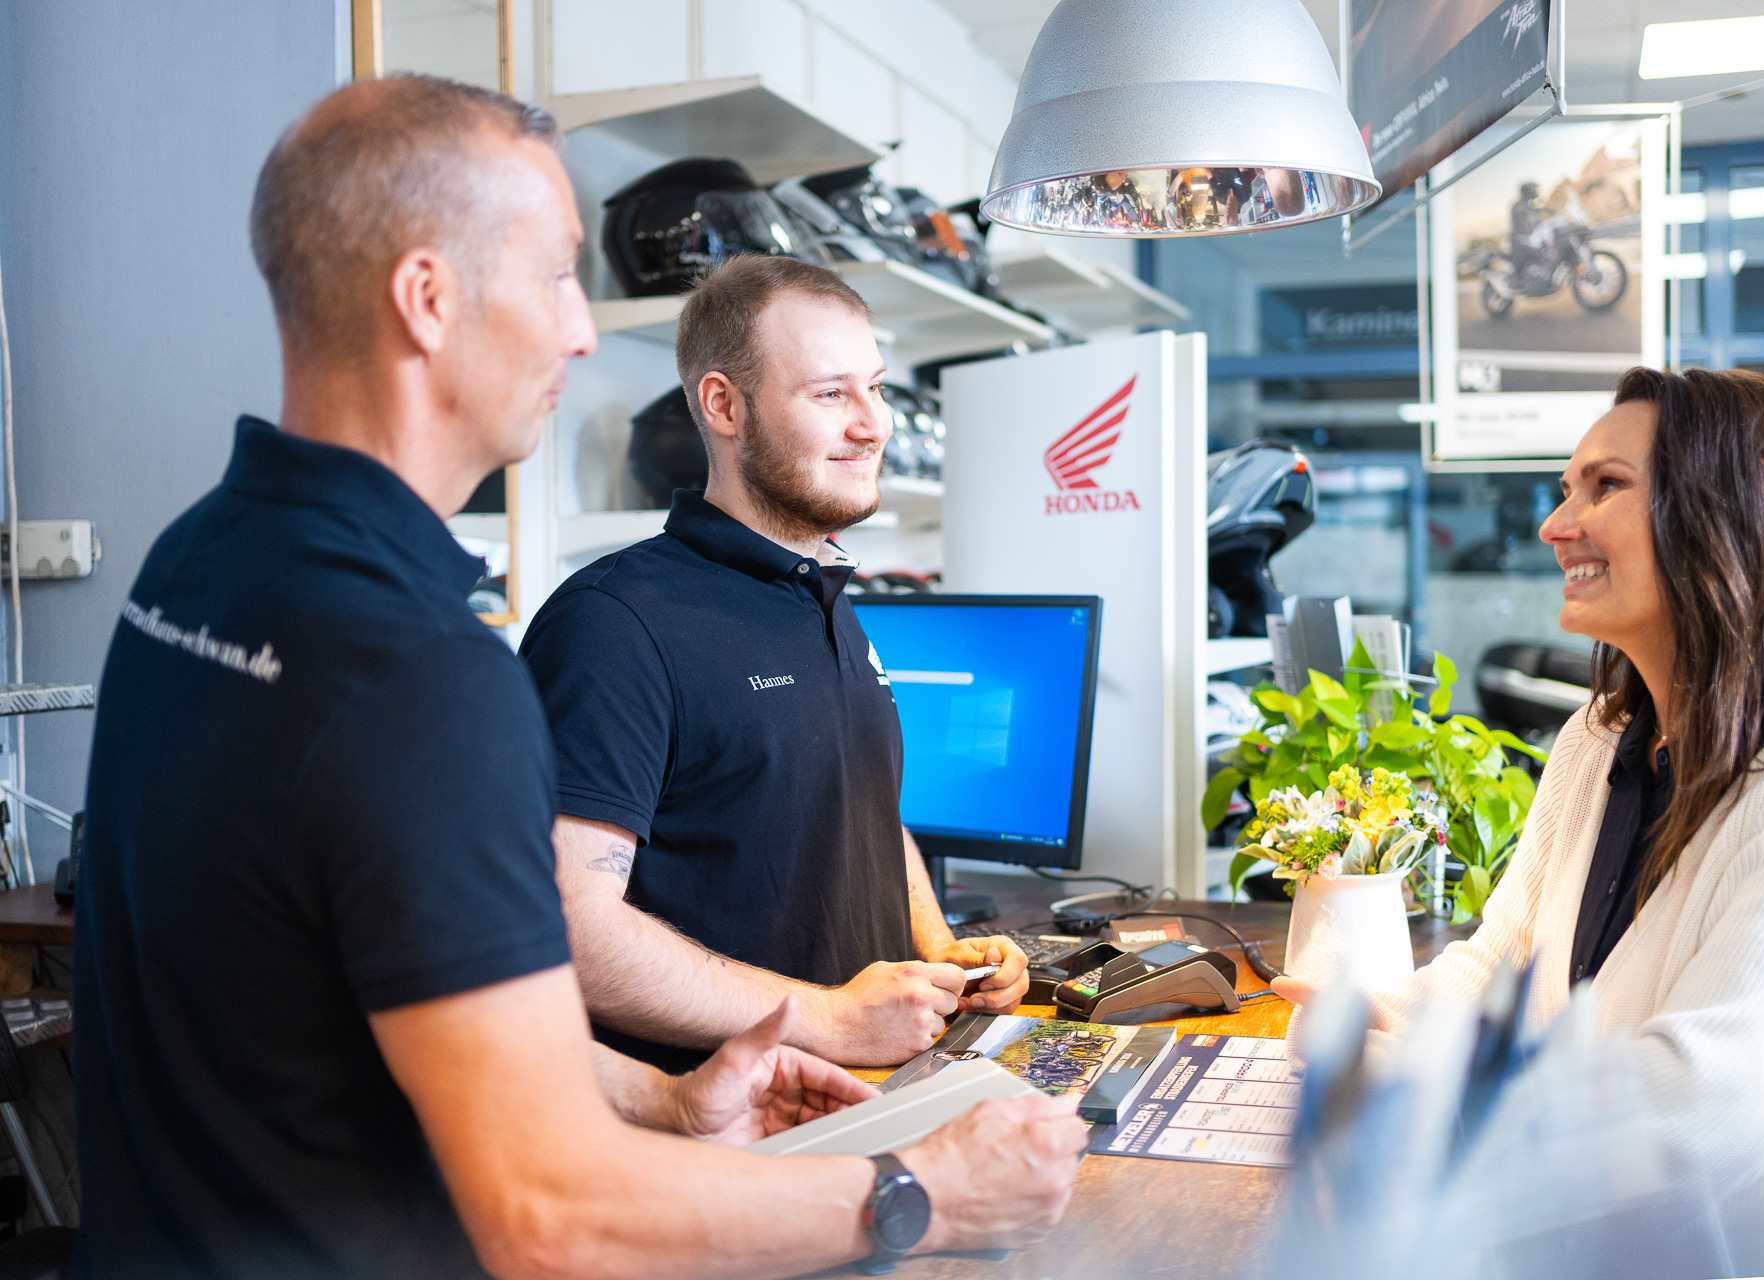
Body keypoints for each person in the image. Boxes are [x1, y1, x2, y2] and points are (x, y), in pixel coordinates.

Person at [72, 75, 1084, 1280]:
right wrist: (924, 1195)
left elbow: (397, 1005)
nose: (583, 328)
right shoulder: (418, 671)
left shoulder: (196, 563)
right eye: (556, 272)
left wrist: (670, 1102)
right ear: (427, 299)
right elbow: (548, 1210)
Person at [1272, 366, 1764, 1266]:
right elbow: (1502, 961)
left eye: (1605, 486)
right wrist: (1369, 1009)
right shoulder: (1599, 738)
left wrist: (1384, 1077)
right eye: (1566, 487)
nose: (1554, 524)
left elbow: (1696, 1111)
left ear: (1736, 513)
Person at [517, 255, 1032, 1073]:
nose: (873, 424)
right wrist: (824, 1019)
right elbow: (566, 925)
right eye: (831, 394)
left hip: (871, 1085)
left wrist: (940, 948)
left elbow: (857, 804)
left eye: (876, 387)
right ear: (724, 404)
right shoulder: (615, 623)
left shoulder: (822, 592)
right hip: (718, 1136)